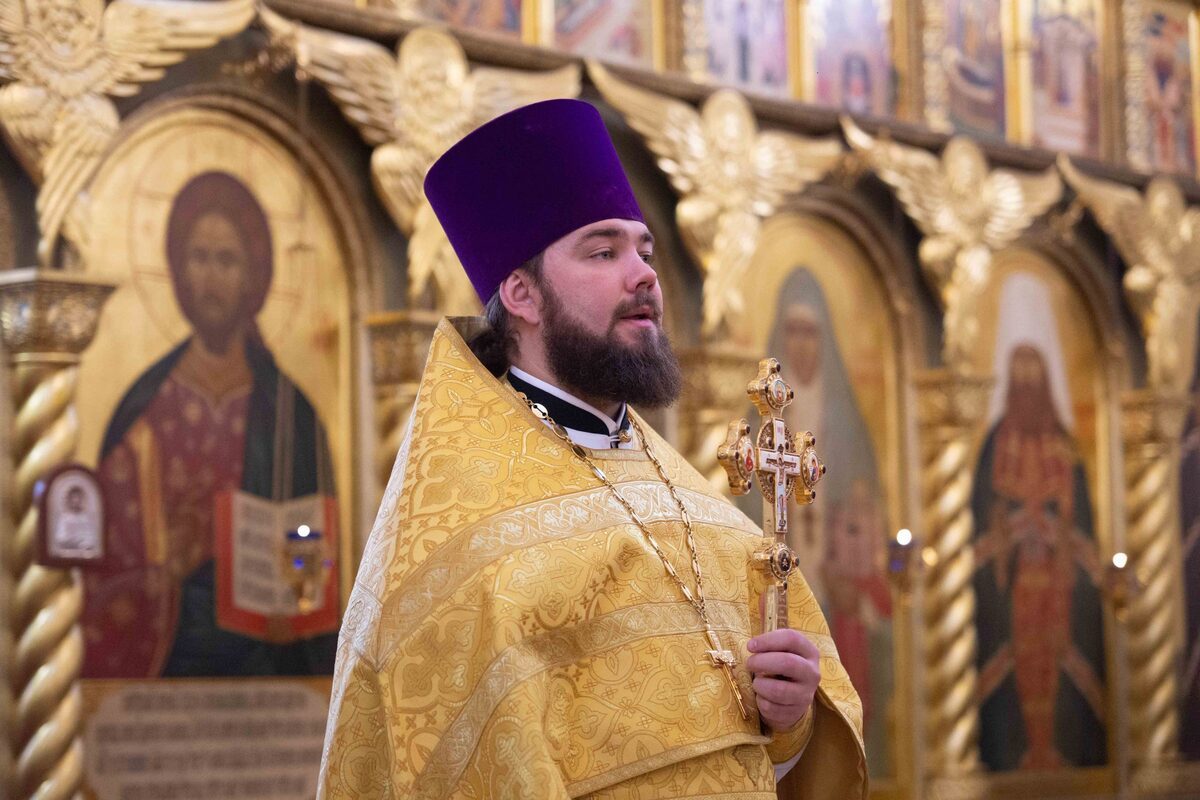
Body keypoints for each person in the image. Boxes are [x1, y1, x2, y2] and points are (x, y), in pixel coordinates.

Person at [318, 100, 864, 799]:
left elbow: (759, 759)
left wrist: (788, 726)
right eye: (604, 252)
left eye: (645, 251)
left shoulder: (707, 516)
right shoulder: (458, 543)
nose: (644, 275)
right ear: (522, 294)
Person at [82, 171, 338, 678]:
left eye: (227, 260)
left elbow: (315, 539)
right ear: (178, 269)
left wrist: (300, 599)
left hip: (268, 663)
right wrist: (165, 559)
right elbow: (103, 554)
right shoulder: (145, 404)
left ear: (252, 275)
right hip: (166, 655)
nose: (211, 278)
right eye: (198, 258)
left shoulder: (288, 410)